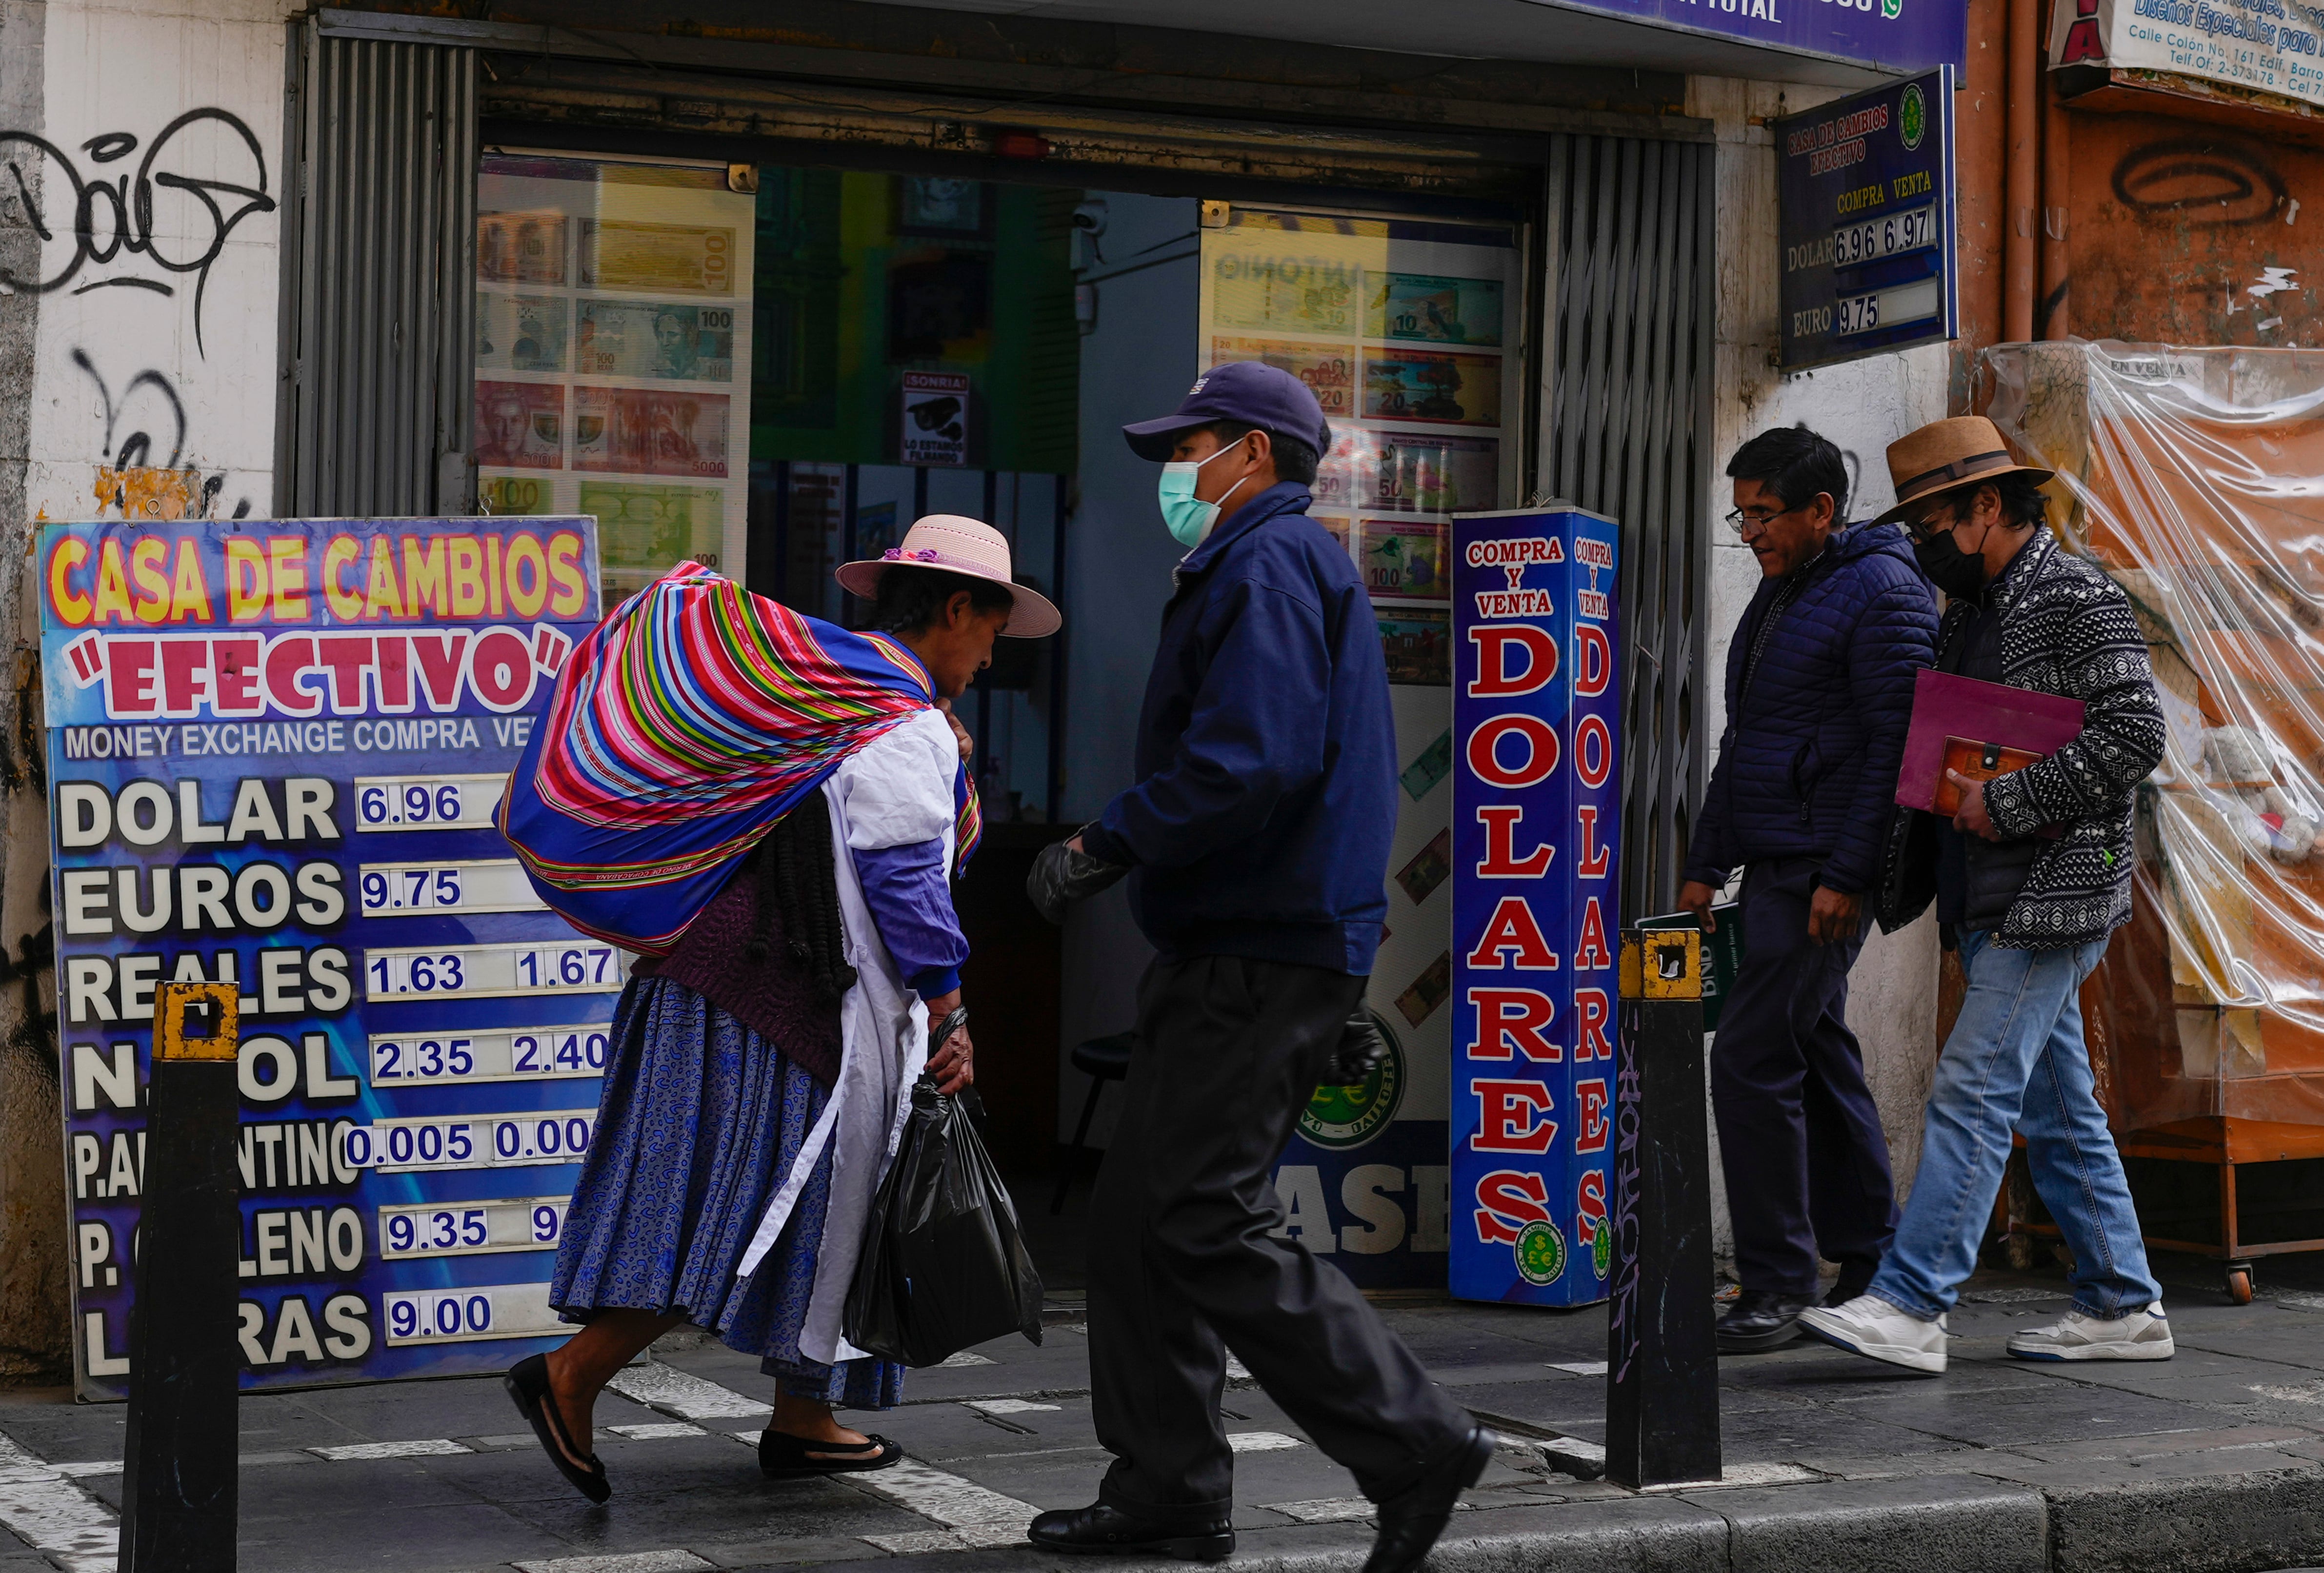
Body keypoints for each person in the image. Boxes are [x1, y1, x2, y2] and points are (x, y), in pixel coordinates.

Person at [1026, 360, 1493, 1573]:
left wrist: (1106, 842)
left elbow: (1251, 760)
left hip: (1258, 945)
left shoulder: (1268, 562)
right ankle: (1169, 1489)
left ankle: (1414, 1439)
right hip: (1247, 940)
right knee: (1139, 1223)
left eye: (1193, 447)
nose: (1177, 471)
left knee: (1201, 1212)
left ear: (1253, 453)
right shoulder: (1260, 562)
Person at [497, 516, 1060, 1500]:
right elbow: (905, 882)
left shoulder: (837, 699)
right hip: (769, 1007)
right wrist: (951, 1008)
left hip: (730, 987)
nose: (989, 656)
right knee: (744, 1203)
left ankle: (806, 1417)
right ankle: (571, 1375)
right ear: (956, 609)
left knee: (829, 1202)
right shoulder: (898, 721)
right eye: (990, 631)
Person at [1800, 417, 2172, 1374]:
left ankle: (1914, 1302)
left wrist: (2006, 802)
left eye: (1933, 524)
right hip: (1990, 895)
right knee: (2057, 1105)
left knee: (1973, 1086)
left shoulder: (2076, 595)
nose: (1925, 545)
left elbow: (2137, 731)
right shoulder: (1971, 612)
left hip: (2054, 893)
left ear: (1988, 506)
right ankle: (2124, 1305)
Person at [1675, 425, 1937, 1355]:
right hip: (1779, 862)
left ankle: (1780, 1281)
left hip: (1821, 871)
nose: (1750, 532)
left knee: (1750, 1056)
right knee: (1815, 1053)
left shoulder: (1883, 590)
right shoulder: (1787, 588)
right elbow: (1748, 741)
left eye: (1765, 514)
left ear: (1823, 510)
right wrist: (1708, 862)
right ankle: (1872, 1255)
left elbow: (1896, 748)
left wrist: (1848, 876)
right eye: (1741, 516)